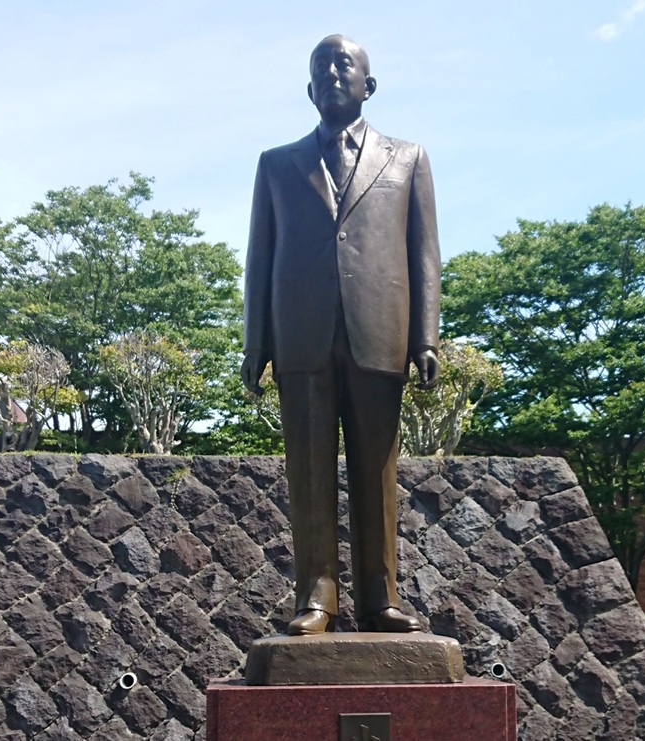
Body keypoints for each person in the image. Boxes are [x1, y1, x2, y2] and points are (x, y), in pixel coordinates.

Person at [240, 34, 441, 636]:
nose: (331, 72)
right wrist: (256, 341)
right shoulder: (277, 165)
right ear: (309, 90)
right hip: (300, 336)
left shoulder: (408, 158)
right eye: (320, 67)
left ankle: (380, 599)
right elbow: (260, 257)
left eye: (343, 63)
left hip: (379, 332)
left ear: (368, 85)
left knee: (377, 473)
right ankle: (316, 598)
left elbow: (424, 254)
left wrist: (425, 338)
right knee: (308, 473)